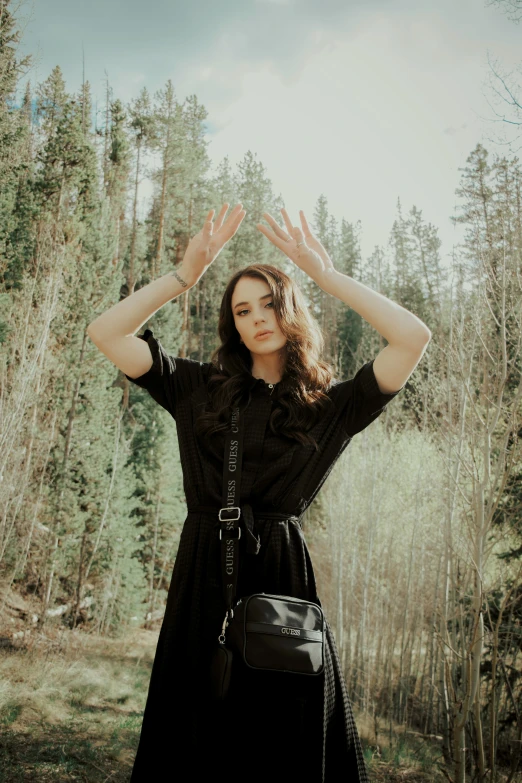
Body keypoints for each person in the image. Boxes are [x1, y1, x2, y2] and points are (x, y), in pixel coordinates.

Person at [87, 202, 431, 782]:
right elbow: (105, 332)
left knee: (283, 744)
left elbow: (413, 337)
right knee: (196, 737)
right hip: (203, 576)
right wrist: (183, 277)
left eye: (269, 303)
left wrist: (325, 275)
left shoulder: (330, 407)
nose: (256, 318)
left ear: (291, 309)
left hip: (281, 581)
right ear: (233, 325)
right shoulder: (197, 387)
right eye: (242, 310)